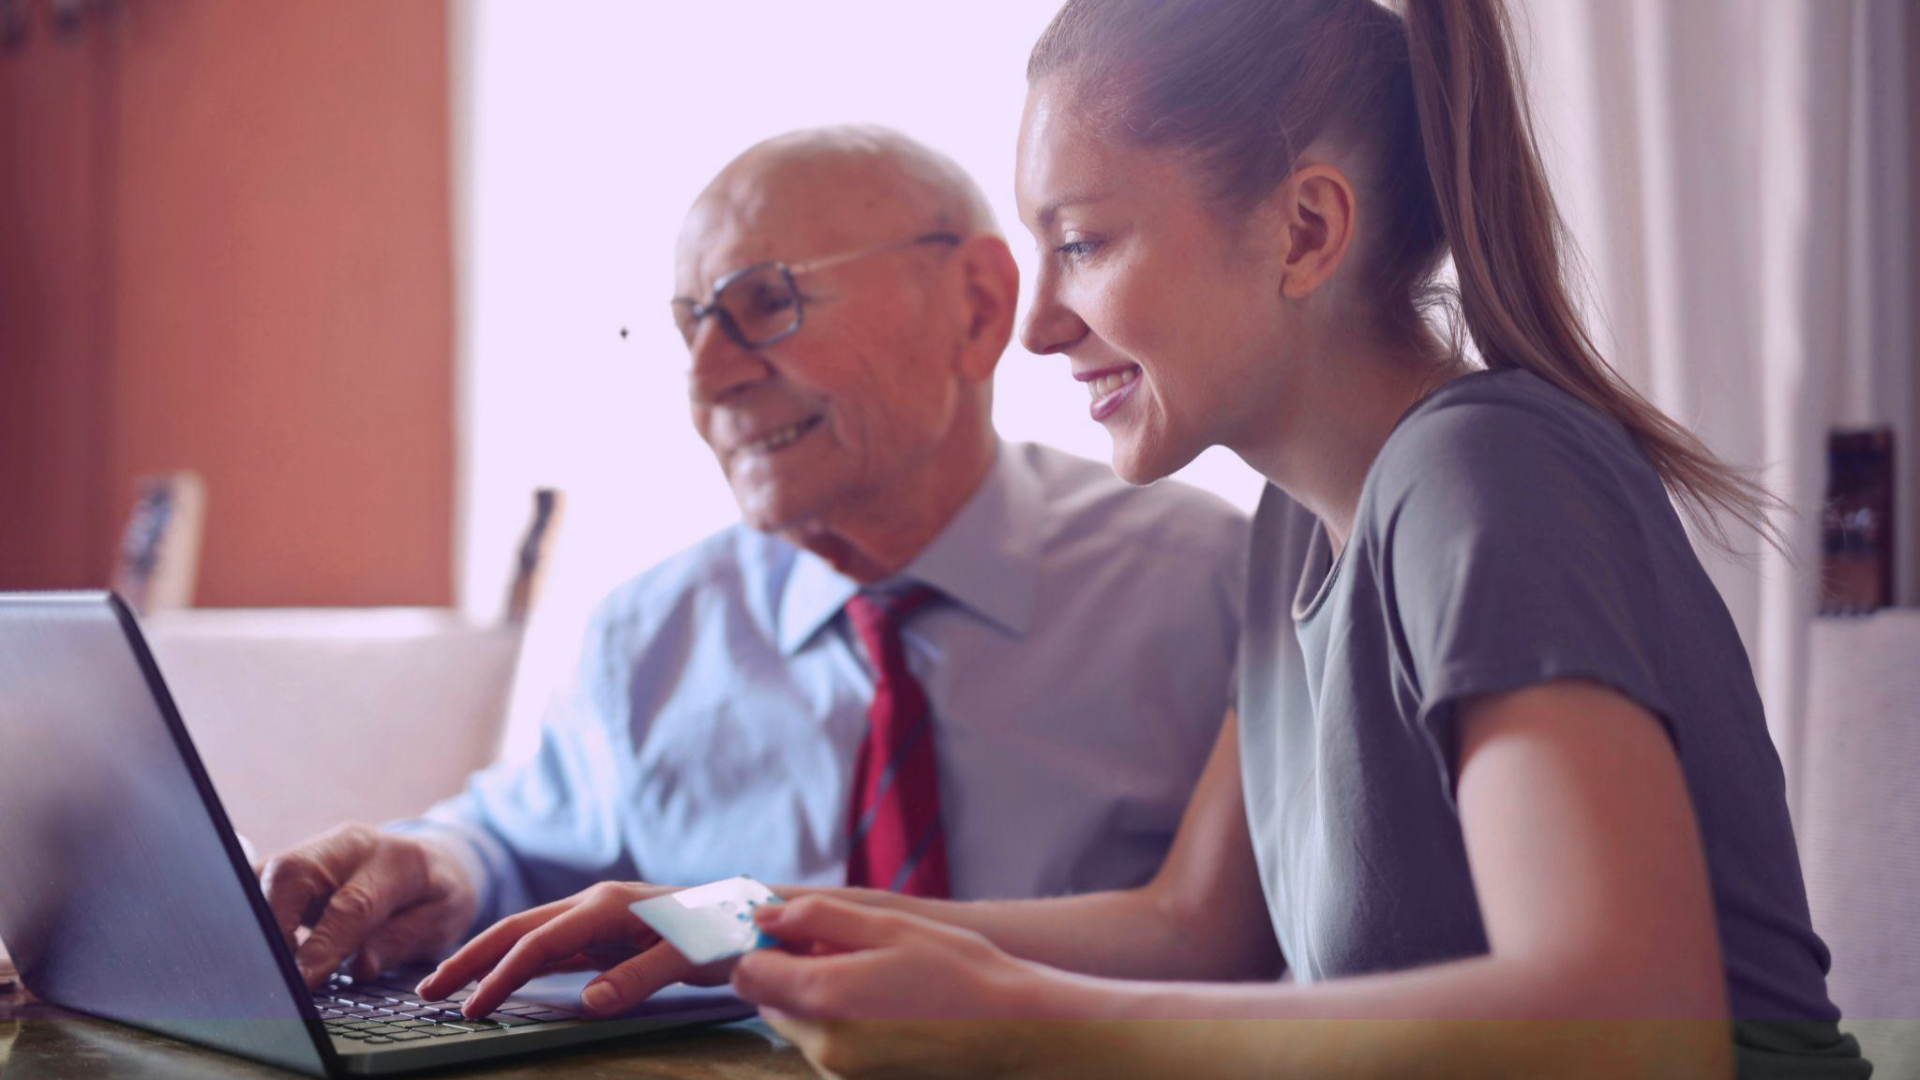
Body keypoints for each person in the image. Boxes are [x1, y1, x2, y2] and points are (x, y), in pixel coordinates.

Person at [419, 1, 1871, 1078]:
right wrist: (742, 920)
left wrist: (1018, 1024)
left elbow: (1636, 1027)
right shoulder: (1298, 536)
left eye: (1087, 243)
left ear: (1305, 233)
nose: (1041, 325)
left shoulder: (1483, 476)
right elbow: (1195, 926)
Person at [257, 125, 1248, 1001]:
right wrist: (435, 867)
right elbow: (515, 843)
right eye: (692, 323)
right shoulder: (650, 632)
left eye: (764, 303)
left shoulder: (1213, 586)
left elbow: (1246, 942)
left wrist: (731, 921)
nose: (707, 380)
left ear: (980, 307)